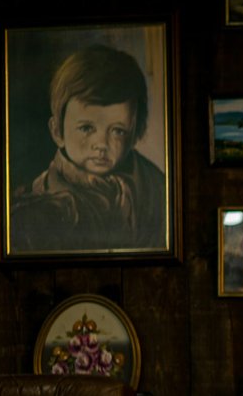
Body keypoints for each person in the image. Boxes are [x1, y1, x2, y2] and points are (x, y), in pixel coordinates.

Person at [9, 44, 167, 253]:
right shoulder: (36, 205)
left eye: (118, 131)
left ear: (134, 133)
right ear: (57, 132)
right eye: (86, 128)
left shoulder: (157, 188)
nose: (101, 144)